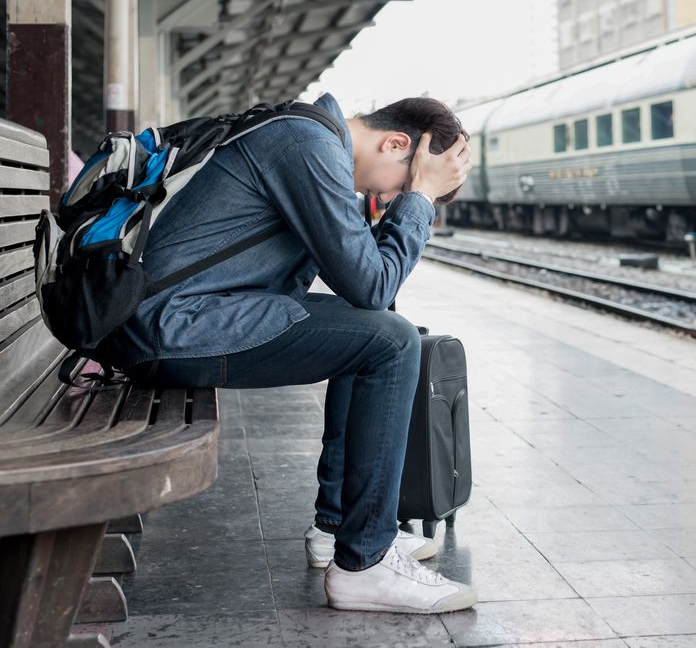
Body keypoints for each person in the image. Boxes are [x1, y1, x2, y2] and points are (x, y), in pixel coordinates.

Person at [99, 92, 477, 614]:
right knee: (389, 340)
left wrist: (414, 196)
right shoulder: (307, 146)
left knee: (377, 333)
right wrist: (419, 201)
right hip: (171, 328)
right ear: (396, 143)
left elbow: (370, 292)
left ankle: (341, 528)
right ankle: (364, 563)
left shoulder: (308, 139)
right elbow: (372, 285)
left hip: (175, 320)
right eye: (402, 183)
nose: (388, 198)